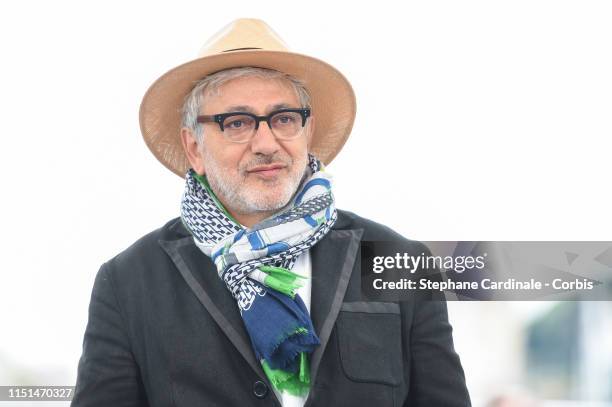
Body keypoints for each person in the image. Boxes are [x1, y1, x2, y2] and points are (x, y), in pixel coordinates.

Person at [71, 18, 471, 407]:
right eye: (237, 122)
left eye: (283, 118)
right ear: (194, 148)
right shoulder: (129, 282)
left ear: (307, 133)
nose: (266, 143)